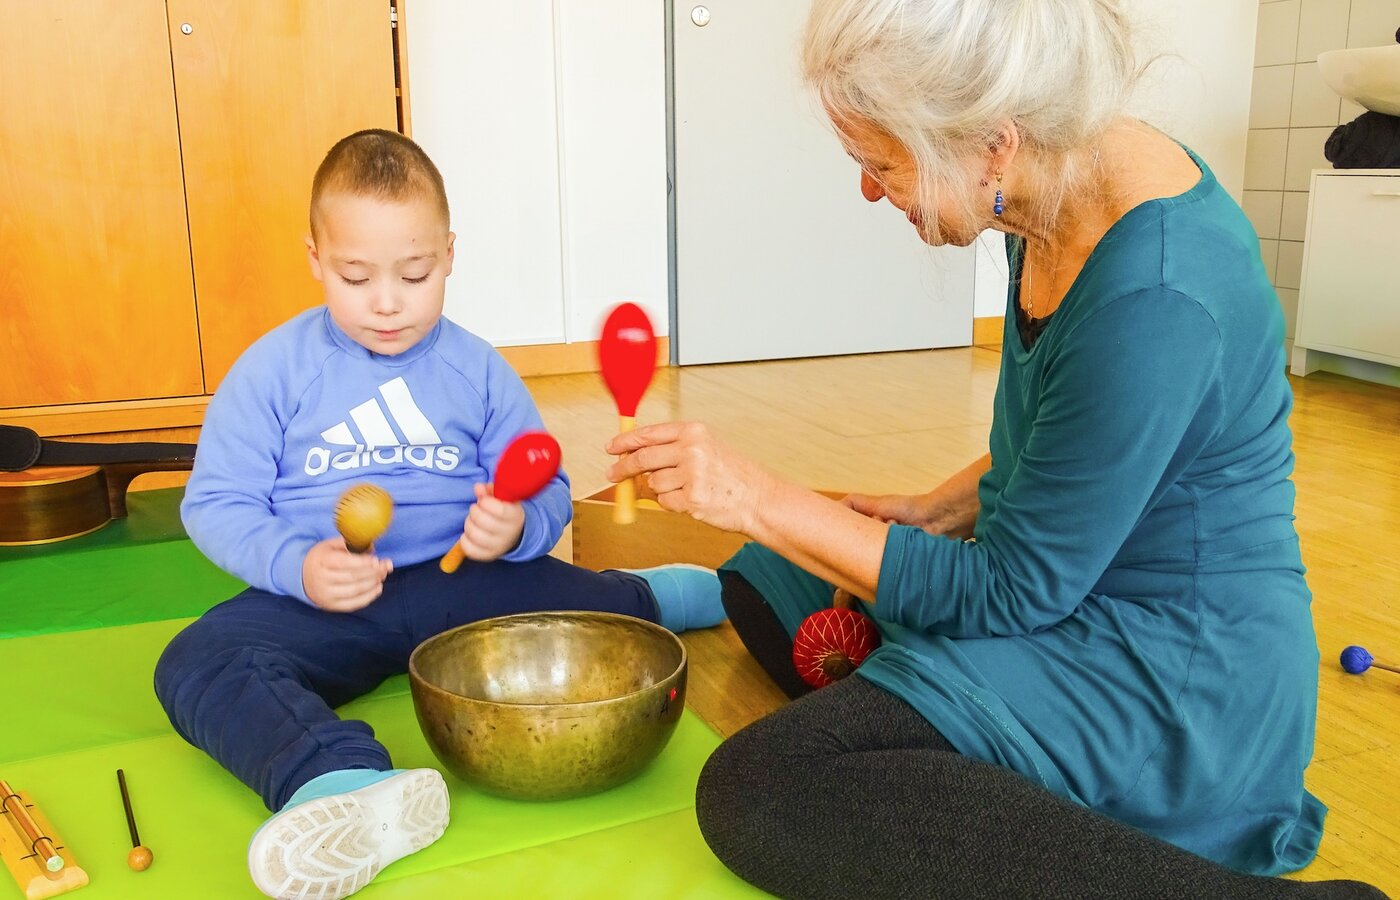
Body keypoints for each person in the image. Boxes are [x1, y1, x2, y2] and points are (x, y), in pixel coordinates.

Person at [606, 2, 1390, 898]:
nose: (869, 189)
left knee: (759, 789)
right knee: (763, 580)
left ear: (992, 142)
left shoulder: (1159, 292)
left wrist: (755, 494)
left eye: (882, 162)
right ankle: (961, 768)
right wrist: (941, 507)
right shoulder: (1055, 181)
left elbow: (1011, 593)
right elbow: (1093, 432)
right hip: (1064, 587)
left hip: (1169, 673)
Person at [154, 129, 724, 900]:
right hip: (329, 602)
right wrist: (297, 565)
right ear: (316, 259)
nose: (387, 302)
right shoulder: (272, 370)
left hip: (467, 585)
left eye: (414, 275)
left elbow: (547, 487)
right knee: (197, 662)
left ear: (449, 255)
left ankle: (649, 595)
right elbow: (215, 504)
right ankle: (339, 783)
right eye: (356, 277)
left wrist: (518, 527)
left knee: (592, 616)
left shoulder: (478, 370)